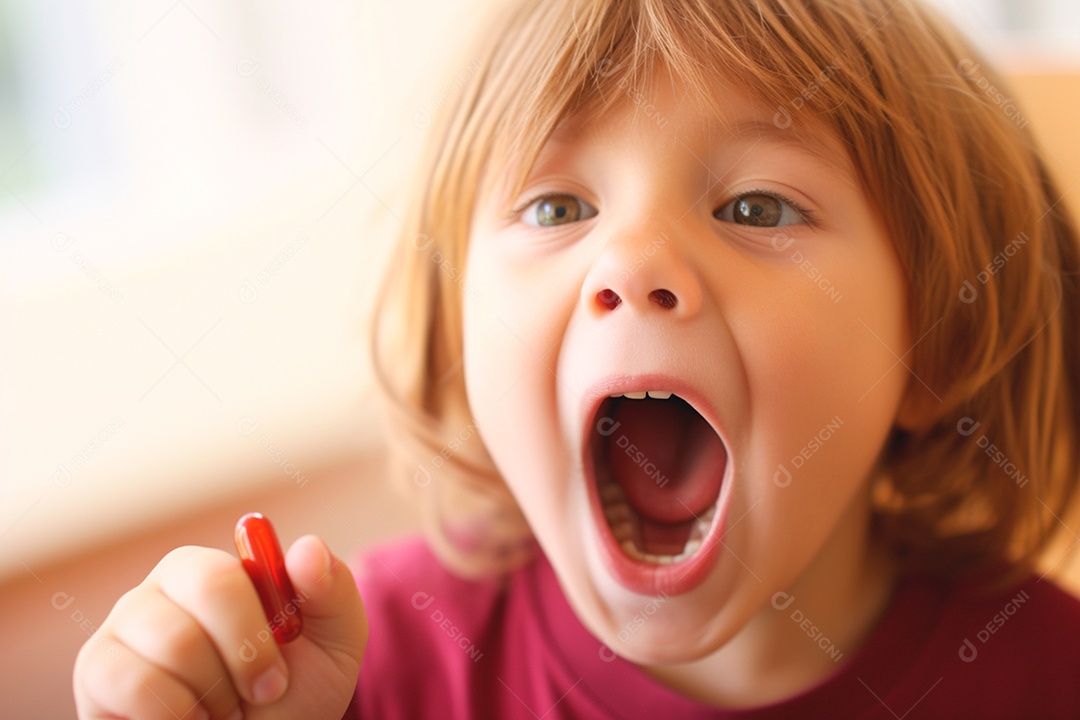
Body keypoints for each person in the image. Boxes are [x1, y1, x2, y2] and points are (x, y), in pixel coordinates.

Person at [74, 0, 1080, 717]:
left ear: (931, 347)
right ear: (460, 334)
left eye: (757, 208)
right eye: (557, 208)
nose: (633, 265)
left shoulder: (1048, 675)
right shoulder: (348, 671)